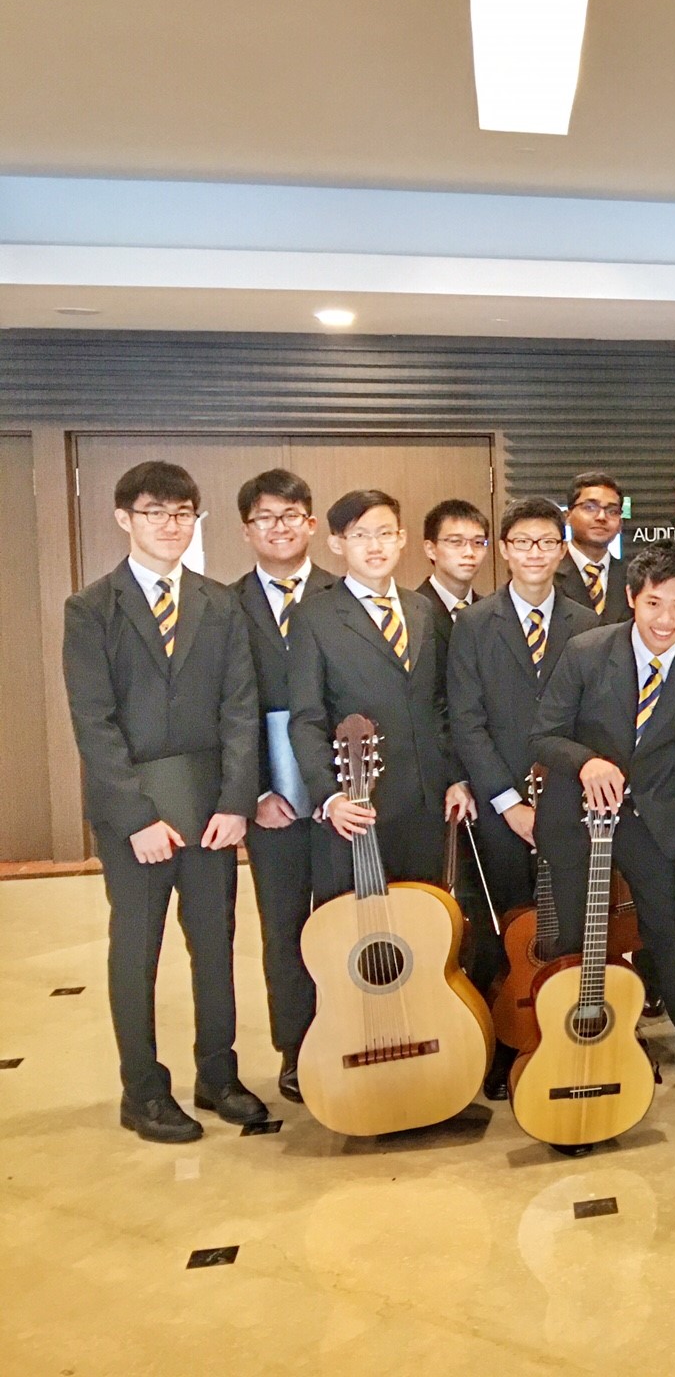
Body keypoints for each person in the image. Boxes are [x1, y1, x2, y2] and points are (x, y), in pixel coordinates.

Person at [64, 461, 266, 1143]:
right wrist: (137, 817)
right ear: (124, 518)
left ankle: (219, 1075)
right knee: (137, 948)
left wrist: (236, 801)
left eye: (183, 513)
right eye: (155, 512)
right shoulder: (92, 609)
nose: (170, 525)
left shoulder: (220, 603)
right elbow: (94, 723)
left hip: (210, 807)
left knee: (215, 945)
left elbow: (240, 707)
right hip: (136, 812)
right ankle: (143, 1090)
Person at [530, 541, 675, 1102]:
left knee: (667, 930)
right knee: (574, 934)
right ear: (631, 598)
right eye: (654, 604)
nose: (665, 619)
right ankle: (577, 1050)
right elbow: (543, 735)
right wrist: (587, 763)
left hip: (652, 817)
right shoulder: (586, 651)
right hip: (576, 813)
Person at [446, 496, 599, 1087]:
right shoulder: (473, 624)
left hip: (572, 802)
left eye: (547, 542)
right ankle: (505, 1039)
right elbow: (466, 721)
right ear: (504, 550)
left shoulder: (588, 623)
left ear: (562, 550)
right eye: (523, 542)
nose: (535, 552)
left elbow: (597, 717)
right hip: (498, 801)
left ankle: (570, 1031)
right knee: (502, 925)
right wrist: (508, 802)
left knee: (571, 920)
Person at [288, 490, 477, 899]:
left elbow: (439, 704)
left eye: (385, 533)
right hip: (360, 802)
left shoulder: (421, 609)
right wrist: (330, 796)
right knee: (364, 927)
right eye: (360, 535)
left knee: (430, 919)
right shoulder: (313, 616)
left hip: (429, 805)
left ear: (402, 538)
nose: (375, 546)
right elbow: (306, 718)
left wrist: (457, 778)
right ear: (336, 543)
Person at [232, 469, 337, 1105]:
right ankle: (297, 1049)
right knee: (285, 927)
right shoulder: (223, 606)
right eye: (266, 517)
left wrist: (342, 788)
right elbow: (224, 710)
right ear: (248, 530)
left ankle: (349, 1036)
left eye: (292, 514)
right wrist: (251, 794)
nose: (280, 527)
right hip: (269, 797)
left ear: (312, 524)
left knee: (343, 920)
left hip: (342, 793)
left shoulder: (343, 594)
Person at [554, 471, 630, 624]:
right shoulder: (548, 574)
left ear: (620, 524)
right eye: (590, 507)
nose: (601, 517)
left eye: (612, 511)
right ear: (567, 516)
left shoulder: (633, 578)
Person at [414, 498, 490, 628]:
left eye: (478, 543)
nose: (469, 552)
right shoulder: (411, 612)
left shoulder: (492, 612)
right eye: (456, 541)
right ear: (430, 549)